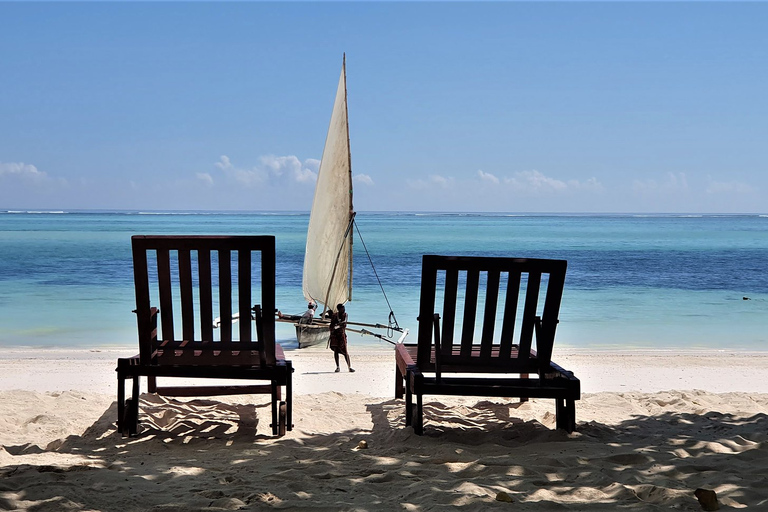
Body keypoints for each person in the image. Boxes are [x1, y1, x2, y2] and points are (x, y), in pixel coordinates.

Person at [329, 303, 354, 373]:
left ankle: (349, 367)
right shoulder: (334, 315)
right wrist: (337, 326)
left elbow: (344, 324)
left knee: (345, 352)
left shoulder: (345, 315)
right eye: (342, 309)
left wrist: (338, 325)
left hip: (341, 335)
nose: (344, 310)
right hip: (334, 335)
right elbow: (331, 326)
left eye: (344, 309)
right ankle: (337, 367)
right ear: (339, 309)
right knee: (336, 351)